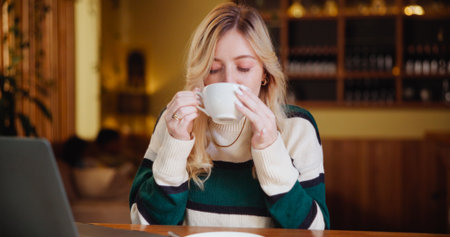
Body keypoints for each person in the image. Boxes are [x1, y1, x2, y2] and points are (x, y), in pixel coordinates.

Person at [129, 2, 329, 229]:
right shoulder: (175, 122)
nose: (228, 81)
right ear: (201, 74)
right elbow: (142, 225)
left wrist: (270, 148)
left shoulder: (298, 128)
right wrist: (176, 145)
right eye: (213, 69)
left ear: (264, 72)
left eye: (243, 67)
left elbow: (314, 231)